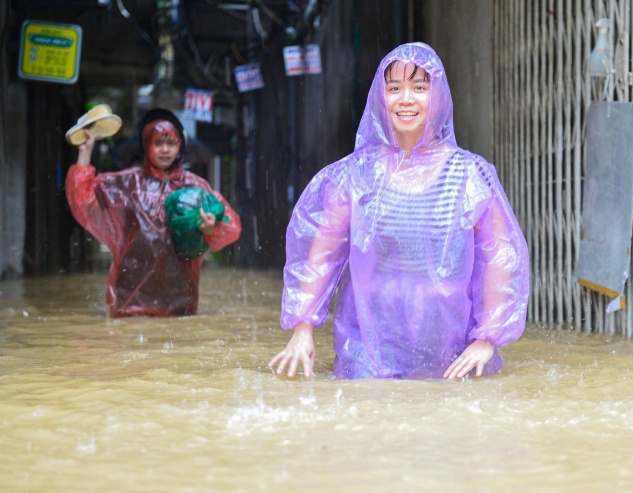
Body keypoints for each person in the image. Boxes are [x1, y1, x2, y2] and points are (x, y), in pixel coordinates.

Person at [269, 43, 529, 380]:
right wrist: (302, 328)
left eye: (419, 87)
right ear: (381, 97)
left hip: (450, 354)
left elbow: (499, 258)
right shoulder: (355, 175)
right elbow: (320, 255)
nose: (406, 98)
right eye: (394, 88)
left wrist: (487, 338)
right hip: (366, 352)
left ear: (439, 96)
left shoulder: (470, 176)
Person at [65, 108, 242, 317]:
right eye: (158, 143)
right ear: (147, 146)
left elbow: (232, 226)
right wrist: (84, 153)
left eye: (171, 143)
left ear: (180, 146)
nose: (165, 150)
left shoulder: (195, 186)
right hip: (129, 300)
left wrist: (211, 227)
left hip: (180, 300)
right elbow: (83, 199)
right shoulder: (126, 183)